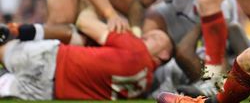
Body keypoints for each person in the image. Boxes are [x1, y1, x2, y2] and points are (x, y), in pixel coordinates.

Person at [131, 0, 248, 94]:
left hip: (222, 38)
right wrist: (135, 33)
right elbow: (138, 2)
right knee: (154, 16)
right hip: (185, 21)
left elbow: (219, 45)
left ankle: (214, 83)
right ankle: (141, 65)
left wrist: (217, 80)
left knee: (187, 52)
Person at [0, 8, 173, 100]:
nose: (146, 35)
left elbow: (84, 22)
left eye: (155, 38)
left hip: (51, 61)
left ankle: (18, 32)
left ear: (164, 54)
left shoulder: (136, 48)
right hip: (50, 92)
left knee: (2, 49)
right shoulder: (145, 84)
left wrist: (92, 7)